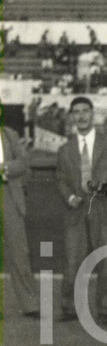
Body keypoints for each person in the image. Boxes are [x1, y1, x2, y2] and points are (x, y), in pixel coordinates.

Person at [55, 96, 107, 325]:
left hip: (105, 208)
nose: (81, 116)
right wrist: (70, 196)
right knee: (72, 262)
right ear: (71, 116)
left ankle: (105, 310)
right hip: (76, 210)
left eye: (85, 111)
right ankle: (69, 308)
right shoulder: (65, 148)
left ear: (92, 113)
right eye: (76, 112)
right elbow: (60, 179)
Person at [1, 122, 40, 318]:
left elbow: (24, 161)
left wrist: (3, 168)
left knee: (19, 252)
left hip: (8, 197)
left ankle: (30, 304)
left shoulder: (10, 134)